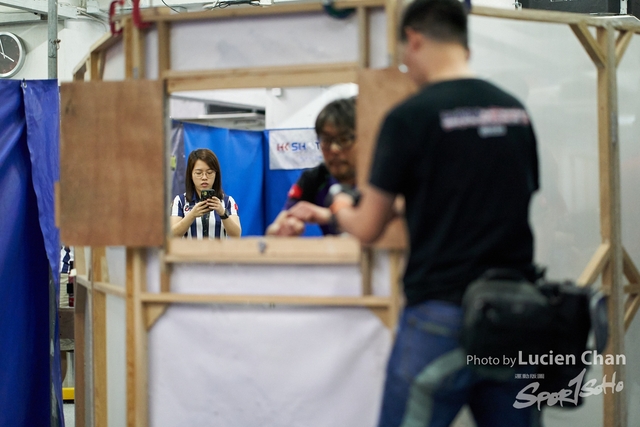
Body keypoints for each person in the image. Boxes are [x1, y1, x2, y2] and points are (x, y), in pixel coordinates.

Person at [311, 1, 541, 426]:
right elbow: (488, 197)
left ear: (414, 38)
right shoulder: (515, 112)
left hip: (441, 316)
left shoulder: (410, 118)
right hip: (514, 317)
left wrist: (339, 206)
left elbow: (366, 228)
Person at [266, 97, 357, 236]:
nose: (334, 149)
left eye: (344, 139)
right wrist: (285, 229)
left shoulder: (382, 176)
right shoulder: (315, 178)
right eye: (326, 140)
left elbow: (375, 224)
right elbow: (272, 233)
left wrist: (325, 215)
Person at [171, 148, 241, 239]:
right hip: (188, 253)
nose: (204, 177)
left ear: (216, 174)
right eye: (199, 173)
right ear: (191, 175)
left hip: (217, 253)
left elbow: (236, 235)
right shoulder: (180, 201)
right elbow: (172, 234)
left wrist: (222, 212)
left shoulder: (228, 201)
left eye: (209, 172)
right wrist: (192, 215)